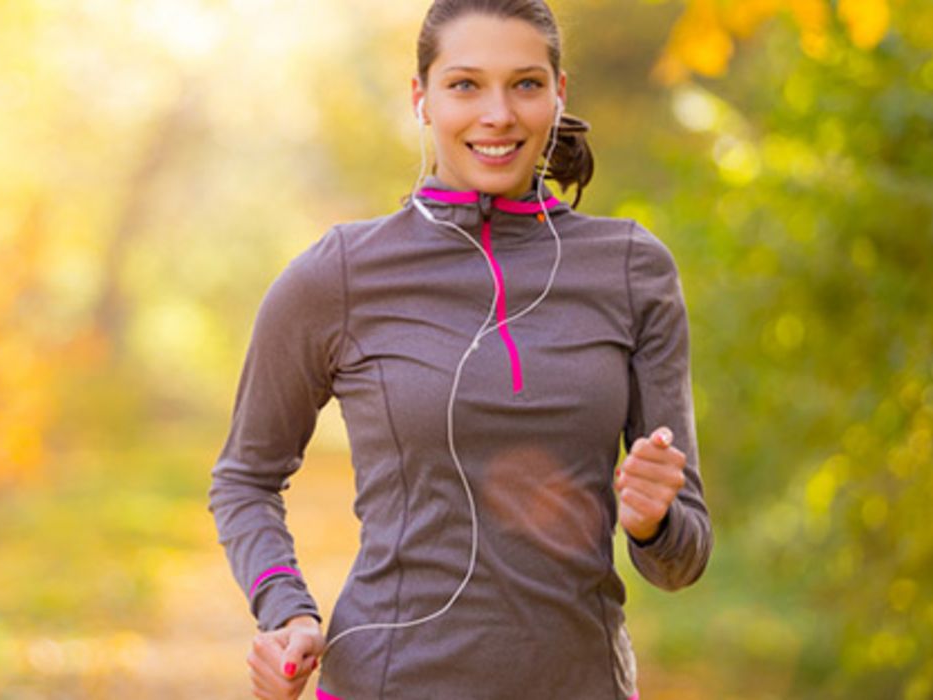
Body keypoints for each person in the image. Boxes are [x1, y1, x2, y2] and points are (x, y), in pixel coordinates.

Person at [207, 0, 713, 697]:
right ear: (421, 99)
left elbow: (679, 563)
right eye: (465, 84)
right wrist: (285, 608)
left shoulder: (629, 268)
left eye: (526, 84)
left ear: (558, 94)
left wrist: (653, 522)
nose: (497, 114)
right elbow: (244, 478)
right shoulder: (343, 273)